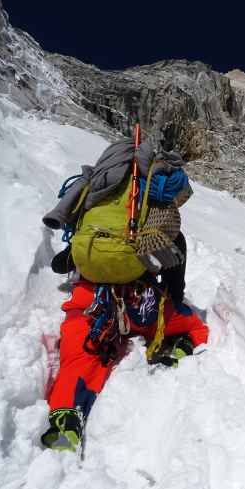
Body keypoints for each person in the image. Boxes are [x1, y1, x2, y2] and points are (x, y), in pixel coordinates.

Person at [40, 134, 208, 452]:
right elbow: (172, 265)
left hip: (91, 300)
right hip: (138, 303)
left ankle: (65, 412)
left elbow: (67, 251)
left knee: (79, 351)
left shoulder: (96, 188)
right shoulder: (154, 200)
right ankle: (182, 344)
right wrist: (172, 295)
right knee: (192, 323)